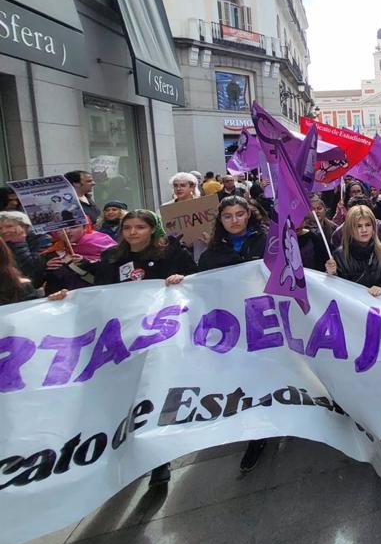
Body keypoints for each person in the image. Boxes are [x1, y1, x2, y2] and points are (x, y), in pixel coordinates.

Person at [86, 210, 194, 486]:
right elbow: (99, 294)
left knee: (156, 395)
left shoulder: (171, 254)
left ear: (152, 230)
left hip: (161, 337)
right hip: (124, 338)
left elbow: (194, 282)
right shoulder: (111, 259)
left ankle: (159, 460)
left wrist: (180, 280)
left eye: (140, 227)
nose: (133, 233)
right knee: (129, 397)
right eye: (127, 228)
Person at [197, 196, 270, 474]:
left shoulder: (268, 242)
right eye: (228, 216)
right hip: (235, 327)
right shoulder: (211, 253)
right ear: (220, 220)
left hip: (269, 321)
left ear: (249, 215)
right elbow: (201, 289)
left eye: (240, 214)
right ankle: (257, 433)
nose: (235, 220)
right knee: (247, 378)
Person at [331, 205, 381, 296]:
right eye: (358, 226)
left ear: (373, 228)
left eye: (368, 225)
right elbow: (334, 291)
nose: (364, 230)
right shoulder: (339, 255)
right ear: (350, 229)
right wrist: (331, 275)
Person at [0, 211, 49, 286]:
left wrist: (19, 242)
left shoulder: (42, 239)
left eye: (9, 226)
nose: (3, 231)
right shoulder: (2, 243)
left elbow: (32, 270)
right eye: (0, 228)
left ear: (24, 226)